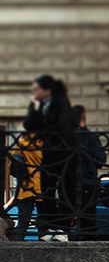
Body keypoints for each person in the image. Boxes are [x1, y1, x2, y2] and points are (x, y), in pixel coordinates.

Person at [23, 76, 70, 240]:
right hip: (49, 151)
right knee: (46, 189)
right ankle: (52, 228)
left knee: (65, 191)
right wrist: (34, 108)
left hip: (65, 151)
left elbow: (62, 125)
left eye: (37, 89)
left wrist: (42, 131)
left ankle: (62, 230)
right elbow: (28, 125)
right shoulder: (40, 104)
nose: (34, 92)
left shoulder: (61, 101)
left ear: (47, 90)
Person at [65, 105, 104, 236]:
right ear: (83, 118)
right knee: (88, 219)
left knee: (66, 216)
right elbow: (101, 159)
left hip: (69, 182)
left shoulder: (66, 138)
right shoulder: (91, 137)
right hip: (88, 181)